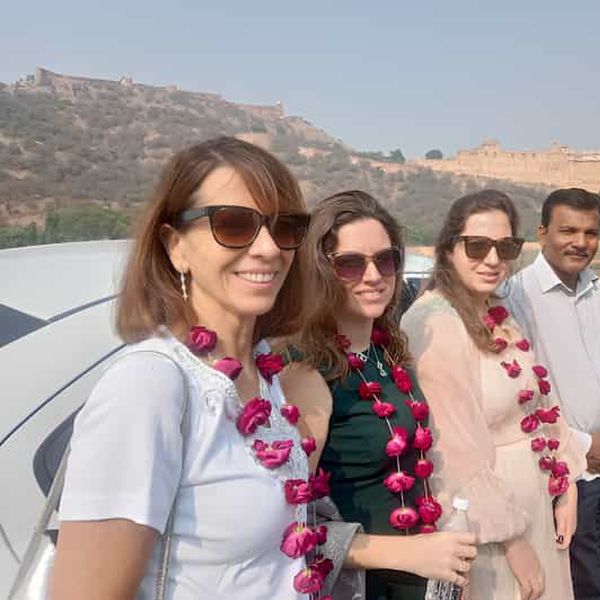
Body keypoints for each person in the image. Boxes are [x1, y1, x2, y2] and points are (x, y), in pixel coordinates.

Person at [51, 137, 318, 598]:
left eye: (285, 227)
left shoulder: (260, 376)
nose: (269, 248)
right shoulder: (150, 385)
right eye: (234, 225)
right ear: (175, 246)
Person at [278, 190, 478, 600]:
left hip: (414, 577)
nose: (373, 276)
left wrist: (439, 556)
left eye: (385, 260)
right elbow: (285, 528)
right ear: (320, 270)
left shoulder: (387, 350)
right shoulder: (307, 373)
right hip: (361, 586)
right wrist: (409, 554)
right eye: (350, 264)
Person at [400, 190, 588, 600]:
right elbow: (452, 450)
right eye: (477, 246)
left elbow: (539, 398)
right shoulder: (436, 323)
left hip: (533, 498)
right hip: (490, 523)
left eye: (505, 247)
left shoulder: (496, 310)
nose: (492, 259)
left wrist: (565, 485)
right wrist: (513, 541)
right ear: (449, 248)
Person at [506, 187, 600, 599]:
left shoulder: (597, 289)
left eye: (590, 232)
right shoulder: (517, 298)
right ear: (542, 233)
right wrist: (582, 444)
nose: (580, 243)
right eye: (568, 230)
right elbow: (520, 398)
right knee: (583, 585)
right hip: (565, 475)